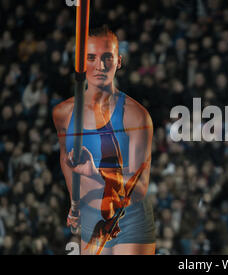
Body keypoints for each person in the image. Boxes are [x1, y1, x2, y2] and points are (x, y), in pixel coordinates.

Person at [52, 25, 156, 255]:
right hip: (92, 219)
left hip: (129, 219)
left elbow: (138, 188)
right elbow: (65, 159)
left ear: (119, 61)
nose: (100, 66)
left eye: (107, 57)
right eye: (91, 58)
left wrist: (95, 171)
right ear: (80, 63)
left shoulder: (136, 117)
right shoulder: (62, 113)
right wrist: (75, 204)